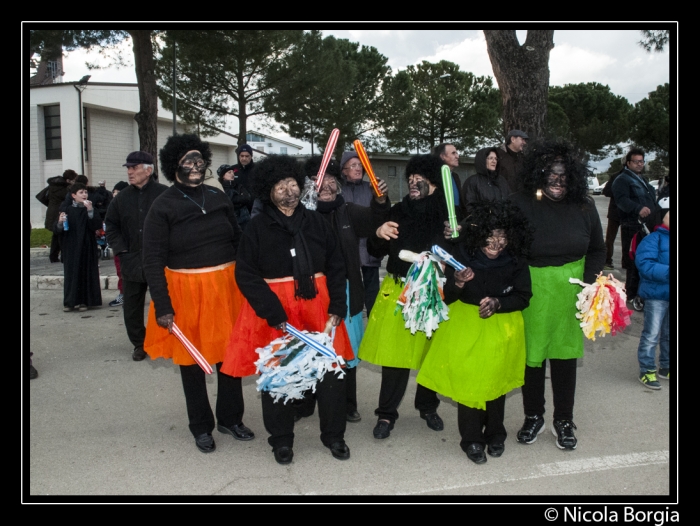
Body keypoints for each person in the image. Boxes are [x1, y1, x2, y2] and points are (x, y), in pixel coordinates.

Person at [221, 155, 355, 465]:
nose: (289, 191)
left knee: (331, 374)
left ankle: (334, 436)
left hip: (319, 306)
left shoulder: (317, 222)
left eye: (293, 184)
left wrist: (338, 304)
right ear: (267, 191)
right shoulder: (256, 228)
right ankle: (281, 440)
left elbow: (337, 265)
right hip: (275, 312)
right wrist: (272, 311)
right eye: (281, 186)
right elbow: (246, 275)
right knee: (278, 375)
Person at [141, 133, 253, 454]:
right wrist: (163, 306)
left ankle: (230, 419)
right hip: (185, 291)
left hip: (226, 288)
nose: (194, 166)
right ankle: (201, 427)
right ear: (174, 165)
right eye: (188, 160)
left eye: (199, 160)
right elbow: (152, 260)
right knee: (192, 362)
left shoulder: (218, 197)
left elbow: (237, 240)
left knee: (230, 357)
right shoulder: (162, 207)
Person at [418, 200, 533, 464]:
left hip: (501, 327)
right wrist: (457, 282)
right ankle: (471, 440)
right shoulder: (461, 255)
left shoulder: (515, 259)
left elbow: (524, 296)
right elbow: (443, 297)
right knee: (469, 385)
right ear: (479, 235)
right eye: (490, 236)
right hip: (465, 327)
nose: (496, 243)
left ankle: (495, 435)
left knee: (495, 384)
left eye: (502, 236)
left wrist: (498, 303)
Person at [510, 139, 605, 451]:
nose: (558, 182)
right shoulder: (520, 203)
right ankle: (533, 415)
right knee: (532, 359)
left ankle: (563, 418)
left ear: (574, 177)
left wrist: (590, 285)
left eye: (564, 177)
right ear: (539, 175)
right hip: (532, 289)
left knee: (564, 359)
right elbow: (504, 245)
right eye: (551, 175)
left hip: (572, 292)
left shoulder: (585, 205)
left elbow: (597, 250)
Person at [294, 157, 390, 424]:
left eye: (330, 180)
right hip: (310, 292)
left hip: (346, 291)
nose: (324, 185)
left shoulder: (347, 211)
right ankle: (305, 402)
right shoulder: (301, 215)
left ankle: (349, 404)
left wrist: (381, 200)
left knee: (346, 350)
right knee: (310, 347)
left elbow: (375, 218)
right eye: (317, 180)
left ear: (338, 183)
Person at [359, 154, 448, 440]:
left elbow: (461, 252)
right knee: (394, 355)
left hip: (434, 292)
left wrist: (455, 239)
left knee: (430, 353)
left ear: (433, 182)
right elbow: (374, 250)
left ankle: (427, 406)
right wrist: (378, 231)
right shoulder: (398, 211)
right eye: (409, 179)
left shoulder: (449, 212)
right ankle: (386, 413)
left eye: (418, 179)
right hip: (400, 289)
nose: (412, 182)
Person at [105, 151, 167, 361]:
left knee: (165, 302)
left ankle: (167, 340)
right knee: (132, 306)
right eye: (128, 168)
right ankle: (140, 344)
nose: (130, 172)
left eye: (134, 167)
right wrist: (120, 248)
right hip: (131, 259)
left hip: (160, 259)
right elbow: (111, 225)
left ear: (148, 170)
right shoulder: (121, 197)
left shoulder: (164, 194)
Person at [612, 148, 658, 310]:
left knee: (647, 259)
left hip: (648, 227)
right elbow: (621, 201)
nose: (640, 164)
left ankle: (642, 291)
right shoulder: (622, 180)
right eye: (636, 161)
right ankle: (631, 294)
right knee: (633, 260)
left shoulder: (642, 180)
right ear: (628, 163)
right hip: (633, 227)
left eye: (642, 161)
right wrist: (638, 208)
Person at [339, 151, 384, 315]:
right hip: (347, 249)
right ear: (344, 170)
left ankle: (373, 320)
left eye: (360, 165)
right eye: (353, 165)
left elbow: (381, 212)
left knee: (372, 289)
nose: (358, 169)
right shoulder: (338, 190)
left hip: (368, 247)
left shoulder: (371, 188)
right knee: (349, 288)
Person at [635, 209, 670, 389]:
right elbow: (645, 265)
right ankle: (647, 369)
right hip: (656, 295)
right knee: (652, 334)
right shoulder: (653, 239)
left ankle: (667, 365)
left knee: (670, 334)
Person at [55, 182, 103, 312]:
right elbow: (59, 230)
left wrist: (90, 211)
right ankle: (71, 301)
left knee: (86, 272)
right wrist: (60, 222)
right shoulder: (67, 210)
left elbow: (96, 225)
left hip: (87, 245)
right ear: (73, 195)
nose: (84, 194)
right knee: (72, 273)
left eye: (86, 192)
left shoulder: (90, 209)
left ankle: (85, 301)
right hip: (71, 246)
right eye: (81, 192)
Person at [36, 169, 78, 263]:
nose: (73, 182)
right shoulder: (65, 189)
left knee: (56, 235)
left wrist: (50, 205)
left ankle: (54, 256)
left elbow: (42, 197)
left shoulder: (52, 186)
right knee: (62, 236)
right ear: (68, 180)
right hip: (60, 213)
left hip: (51, 212)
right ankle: (63, 257)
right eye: (73, 180)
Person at [108, 181, 129, 307]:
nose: (116, 195)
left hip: (129, 245)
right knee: (120, 271)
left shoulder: (129, 207)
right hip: (119, 245)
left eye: (118, 193)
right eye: (114, 192)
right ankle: (123, 294)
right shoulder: (112, 207)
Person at [217, 164, 253, 231]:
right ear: (223, 176)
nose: (232, 174)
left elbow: (247, 197)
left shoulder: (238, 186)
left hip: (245, 217)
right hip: (233, 219)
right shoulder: (221, 188)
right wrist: (239, 198)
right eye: (229, 172)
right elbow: (229, 201)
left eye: (233, 172)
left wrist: (236, 199)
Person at [602, 165, 623, 270]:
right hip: (616, 212)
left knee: (611, 238)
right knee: (610, 238)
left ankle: (608, 261)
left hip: (621, 213)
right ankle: (607, 260)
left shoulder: (639, 177)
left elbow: (606, 191)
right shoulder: (616, 176)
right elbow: (606, 191)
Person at [433, 143, 464, 216]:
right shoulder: (434, 177)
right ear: (442, 156)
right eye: (453, 153)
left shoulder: (455, 176)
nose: (457, 156)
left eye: (456, 153)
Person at [232, 144, 256, 213]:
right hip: (237, 209)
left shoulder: (258, 169)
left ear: (251, 156)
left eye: (247, 156)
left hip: (253, 208)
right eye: (242, 156)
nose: (244, 158)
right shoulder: (232, 170)